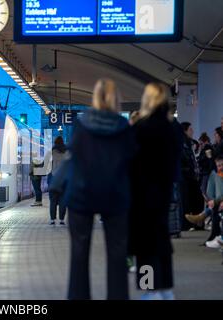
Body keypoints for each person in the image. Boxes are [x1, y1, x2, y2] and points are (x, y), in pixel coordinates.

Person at [65, 79, 136, 300]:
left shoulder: (81, 125)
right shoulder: (124, 127)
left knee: (79, 254)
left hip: (81, 195)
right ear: (116, 99)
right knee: (117, 254)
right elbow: (132, 161)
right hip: (115, 195)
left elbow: (74, 157)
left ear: (94, 98)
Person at [129, 83, 181, 300]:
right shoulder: (173, 128)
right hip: (164, 193)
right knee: (162, 240)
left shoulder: (140, 128)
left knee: (145, 245)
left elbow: (131, 163)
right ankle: (166, 288)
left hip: (142, 196)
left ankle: (149, 288)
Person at [180, 122, 204, 230]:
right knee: (189, 200)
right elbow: (184, 161)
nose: (192, 131)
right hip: (186, 177)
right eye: (190, 129)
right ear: (185, 131)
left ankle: (197, 222)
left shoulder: (189, 143)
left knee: (197, 199)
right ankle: (189, 223)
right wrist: (190, 170)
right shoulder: (182, 143)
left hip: (191, 176)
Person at [47, 136, 68, 225]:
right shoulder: (67, 152)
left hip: (53, 179)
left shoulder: (51, 152)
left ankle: (52, 220)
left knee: (53, 201)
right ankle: (62, 220)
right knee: (63, 200)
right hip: (64, 180)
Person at [203, 155, 223, 248]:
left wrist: (215, 201)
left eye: (222, 165)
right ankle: (218, 237)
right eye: (218, 166)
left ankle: (203, 214)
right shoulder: (218, 175)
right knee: (215, 208)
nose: (221, 167)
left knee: (215, 207)